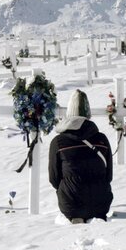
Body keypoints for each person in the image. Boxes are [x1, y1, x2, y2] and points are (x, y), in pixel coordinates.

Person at [48, 90, 113, 224]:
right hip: (101, 202)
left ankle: (76, 215)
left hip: (71, 203)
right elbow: (109, 175)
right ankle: (96, 215)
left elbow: (54, 179)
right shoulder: (101, 139)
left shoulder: (58, 142)